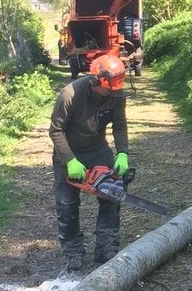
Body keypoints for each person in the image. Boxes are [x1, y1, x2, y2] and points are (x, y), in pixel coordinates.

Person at [48, 53, 130, 270]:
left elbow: (119, 125)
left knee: (112, 195)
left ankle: (106, 246)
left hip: (97, 150)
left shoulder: (116, 94)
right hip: (69, 152)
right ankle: (73, 251)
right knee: (67, 204)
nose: (113, 91)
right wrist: (70, 161)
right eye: (109, 87)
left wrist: (123, 153)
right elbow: (56, 131)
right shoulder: (70, 95)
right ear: (96, 80)